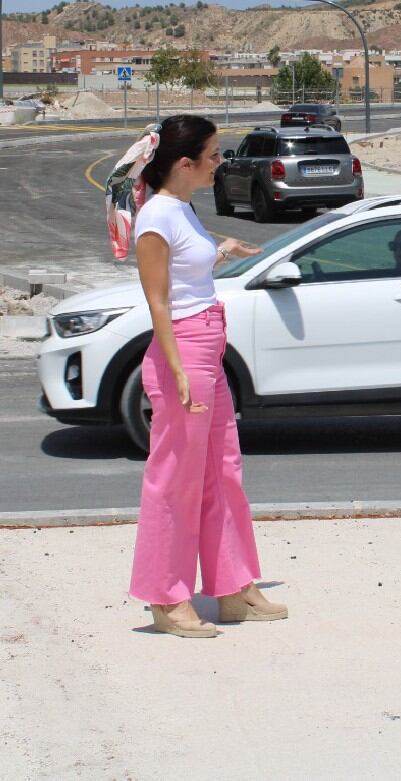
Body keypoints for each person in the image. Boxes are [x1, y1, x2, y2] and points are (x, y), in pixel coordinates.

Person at [126, 114, 284, 638]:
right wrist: (176, 370)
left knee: (223, 471)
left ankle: (232, 587)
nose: (222, 163)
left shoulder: (182, 210)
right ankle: (166, 597)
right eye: (215, 155)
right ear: (185, 164)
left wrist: (221, 252)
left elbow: (187, 276)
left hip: (207, 346)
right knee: (175, 479)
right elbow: (158, 301)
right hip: (183, 353)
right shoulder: (155, 218)